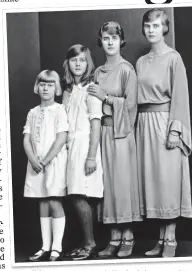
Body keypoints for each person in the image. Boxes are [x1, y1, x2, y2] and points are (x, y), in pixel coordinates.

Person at [136, 8, 192, 257]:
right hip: (144, 124)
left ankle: (171, 239)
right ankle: (160, 239)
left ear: (165, 29)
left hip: (165, 121)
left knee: (168, 181)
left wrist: (175, 131)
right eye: (148, 25)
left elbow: (180, 97)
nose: (151, 29)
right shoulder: (140, 61)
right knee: (154, 182)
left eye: (156, 25)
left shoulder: (173, 57)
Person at [87, 21, 142, 258]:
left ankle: (128, 237)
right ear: (101, 41)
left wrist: (106, 96)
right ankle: (114, 238)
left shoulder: (127, 70)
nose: (110, 43)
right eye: (106, 38)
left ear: (121, 41)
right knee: (107, 185)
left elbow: (131, 106)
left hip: (121, 133)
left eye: (114, 38)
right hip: (102, 134)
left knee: (121, 184)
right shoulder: (97, 72)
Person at [62, 44, 103, 260]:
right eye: (74, 60)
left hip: (85, 146)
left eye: (82, 60)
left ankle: (90, 243)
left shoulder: (92, 89)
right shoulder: (68, 91)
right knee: (74, 195)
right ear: (68, 63)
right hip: (69, 147)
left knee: (80, 195)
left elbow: (95, 125)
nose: (78, 64)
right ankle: (84, 242)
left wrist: (90, 156)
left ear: (88, 64)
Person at [23, 70, 68, 262]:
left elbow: (61, 137)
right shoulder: (33, 112)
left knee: (53, 200)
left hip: (54, 161)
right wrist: (33, 159)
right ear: (37, 87)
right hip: (35, 163)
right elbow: (26, 138)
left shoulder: (59, 110)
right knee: (41, 201)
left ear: (56, 88)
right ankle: (45, 246)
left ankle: (57, 247)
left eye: (50, 85)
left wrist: (46, 160)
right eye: (42, 84)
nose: (46, 88)